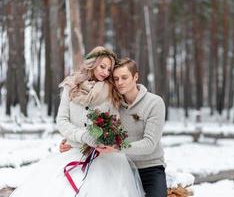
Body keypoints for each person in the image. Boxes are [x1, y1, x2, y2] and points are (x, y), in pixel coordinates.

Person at [10, 47, 144, 197]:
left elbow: (115, 122)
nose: (105, 72)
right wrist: (82, 136)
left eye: (109, 69)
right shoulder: (71, 86)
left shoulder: (111, 91)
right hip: (73, 150)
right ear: (92, 63)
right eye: (102, 66)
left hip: (103, 157)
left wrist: (105, 137)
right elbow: (61, 120)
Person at [61, 58, 167, 197]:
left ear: (135, 77)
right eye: (116, 78)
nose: (120, 82)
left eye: (124, 77)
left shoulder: (154, 103)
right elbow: (92, 129)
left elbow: (149, 144)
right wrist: (70, 142)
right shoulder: (113, 102)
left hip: (149, 168)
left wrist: (117, 148)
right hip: (119, 166)